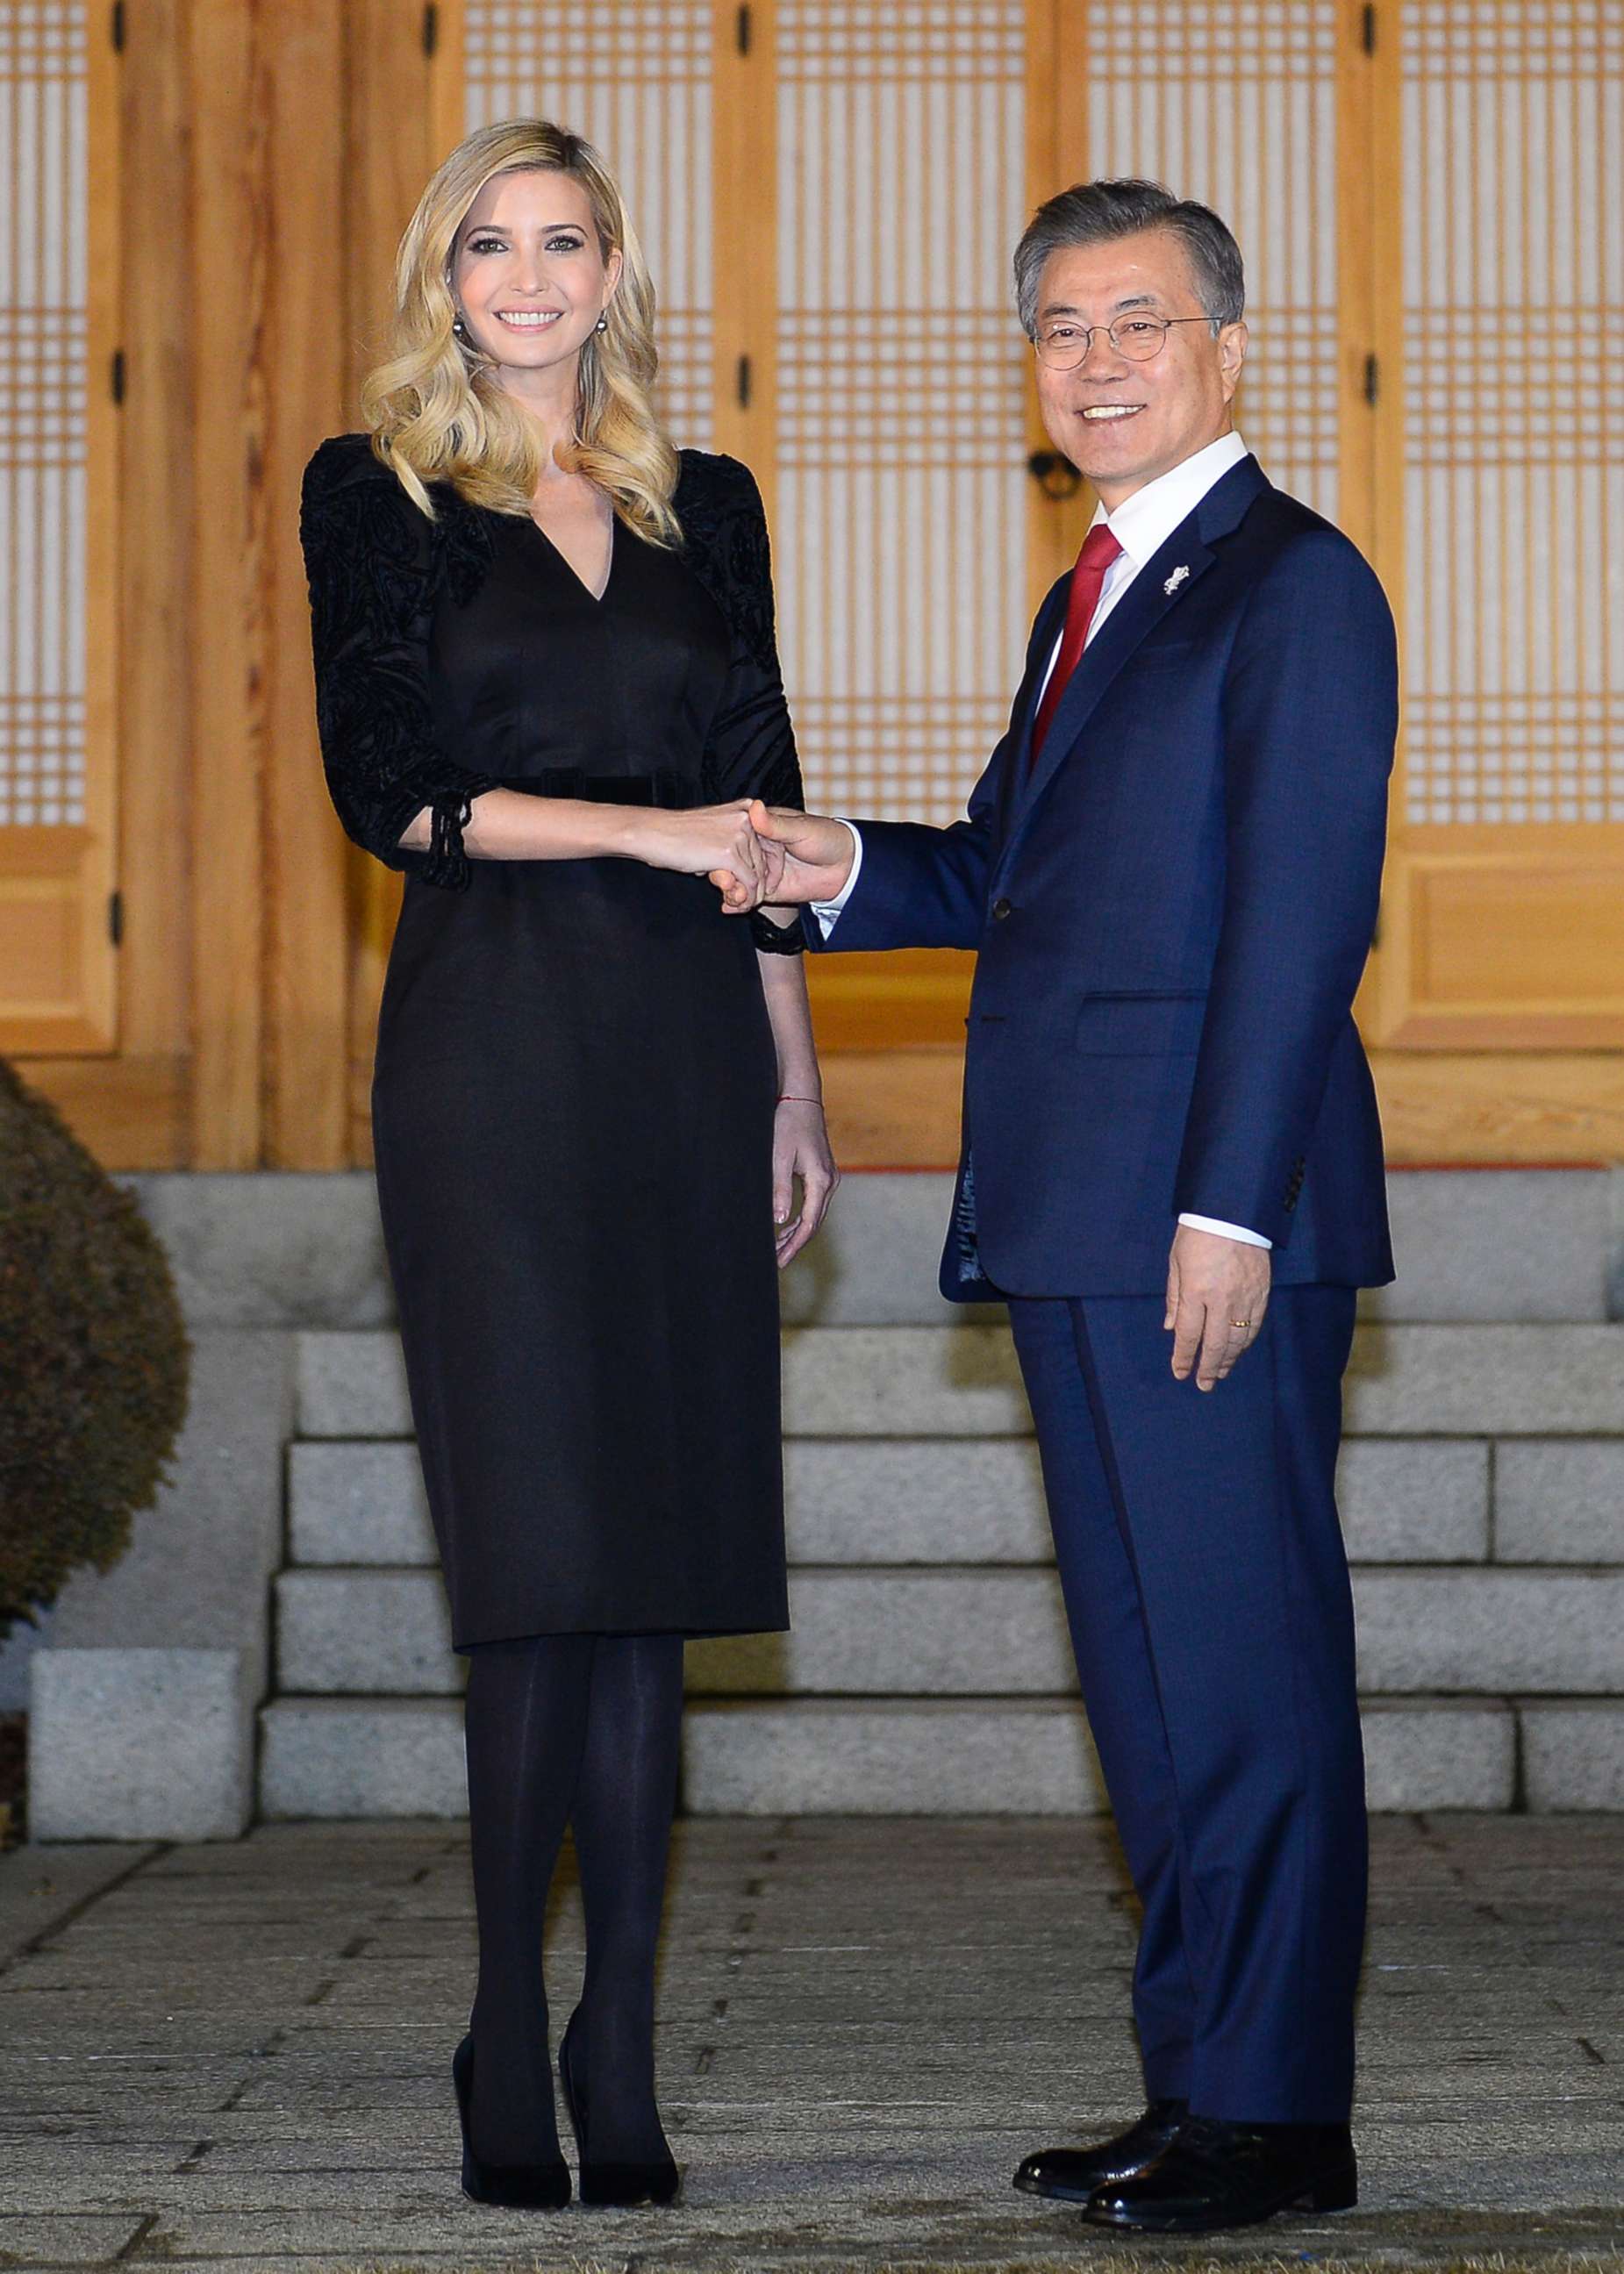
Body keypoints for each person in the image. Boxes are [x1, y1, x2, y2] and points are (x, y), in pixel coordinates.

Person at [725, 179, 1398, 2235]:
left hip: (1193, 1223)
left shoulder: (1292, 585)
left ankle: (1280, 2123)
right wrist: (814, 864)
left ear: (1226, 345)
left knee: (1245, 1671)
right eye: (1058, 329)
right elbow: (997, 874)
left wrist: (1229, 1208)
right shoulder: (1091, 595)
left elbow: (1299, 923)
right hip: (1071, 1216)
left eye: (1138, 321)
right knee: (1151, 1683)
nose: (1095, 360)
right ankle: (1198, 2088)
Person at [299, 117, 834, 2213]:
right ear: (446, 275)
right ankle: (500, 2034)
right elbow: (393, 791)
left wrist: (790, 1083)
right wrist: (649, 838)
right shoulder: (384, 491)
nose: (525, 278)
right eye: (488, 245)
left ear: (614, 273)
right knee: (537, 1571)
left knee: (656, 1573)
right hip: (494, 1054)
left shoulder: (711, 508)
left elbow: (764, 809)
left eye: (564, 243)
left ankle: (619, 2032)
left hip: (693, 1056)